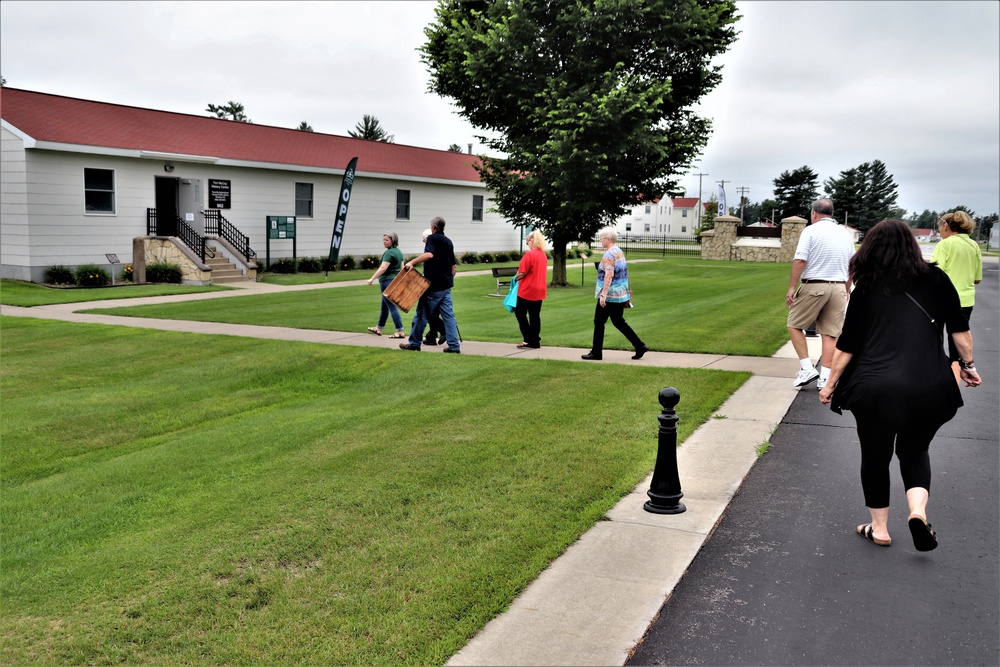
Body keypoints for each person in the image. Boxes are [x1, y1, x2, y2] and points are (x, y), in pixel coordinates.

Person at [819, 219, 982, 551]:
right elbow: (960, 332)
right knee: (915, 450)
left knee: (876, 457)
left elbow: (847, 344)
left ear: (872, 249)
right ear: (913, 246)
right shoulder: (937, 279)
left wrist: (830, 383)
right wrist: (967, 366)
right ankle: (918, 512)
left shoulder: (867, 286)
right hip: (930, 386)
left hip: (875, 387)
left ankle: (879, 528)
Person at [786, 199, 855, 389]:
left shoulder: (810, 230)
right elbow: (852, 264)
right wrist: (847, 287)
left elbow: (800, 260)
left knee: (794, 324)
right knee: (830, 334)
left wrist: (792, 287)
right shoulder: (845, 233)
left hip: (815, 284)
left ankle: (807, 368)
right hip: (839, 287)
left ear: (814, 213)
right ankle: (825, 377)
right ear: (831, 213)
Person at [581, 227, 649, 361]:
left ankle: (596, 353)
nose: (600, 240)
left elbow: (609, 275)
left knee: (599, 322)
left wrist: (603, 295)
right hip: (620, 293)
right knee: (618, 321)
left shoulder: (609, 254)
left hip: (610, 295)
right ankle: (639, 345)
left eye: (602, 238)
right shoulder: (618, 252)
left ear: (609, 239)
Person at [932, 210, 982, 381]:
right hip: (966, 300)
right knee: (959, 338)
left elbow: (936, 274)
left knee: (935, 336)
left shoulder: (945, 244)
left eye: (940, 228)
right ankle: (960, 373)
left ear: (946, 226)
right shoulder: (974, 245)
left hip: (943, 299)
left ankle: (937, 374)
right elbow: (977, 278)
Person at [398, 216, 461, 353]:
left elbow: (429, 255)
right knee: (448, 316)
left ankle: (414, 343)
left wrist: (412, 262)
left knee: (421, 315)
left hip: (432, 286)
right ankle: (454, 346)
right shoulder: (448, 242)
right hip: (446, 287)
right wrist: (448, 279)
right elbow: (453, 267)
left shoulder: (432, 238)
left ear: (433, 227)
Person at [365, 232, 406, 338]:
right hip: (394, 281)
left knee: (391, 307)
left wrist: (372, 278)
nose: (384, 242)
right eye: (383, 240)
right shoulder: (399, 252)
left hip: (386, 281)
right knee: (384, 307)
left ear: (393, 240)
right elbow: (402, 269)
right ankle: (379, 328)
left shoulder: (389, 253)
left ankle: (400, 331)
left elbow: (383, 268)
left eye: (386, 240)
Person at [512, 230, 549, 348]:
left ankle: (528, 338)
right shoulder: (543, 254)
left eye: (527, 241)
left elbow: (522, 272)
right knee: (535, 315)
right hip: (539, 289)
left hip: (527, 290)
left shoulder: (530, 255)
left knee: (520, 313)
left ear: (532, 241)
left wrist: (515, 278)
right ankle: (535, 340)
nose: (527, 244)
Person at [418, 228, 446, 347]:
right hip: (440, 284)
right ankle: (432, 336)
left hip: (434, 286)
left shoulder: (432, 251)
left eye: (424, 240)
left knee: (430, 313)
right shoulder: (441, 248)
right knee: (433, 313)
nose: (424, 243)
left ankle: (444, 330)